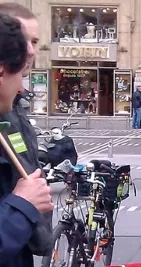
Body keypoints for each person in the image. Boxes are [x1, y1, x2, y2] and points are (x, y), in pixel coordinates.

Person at [0, 2, 54, 265]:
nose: (31, 51)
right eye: (24, 43)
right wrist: (22, 204)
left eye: (35, 42)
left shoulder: (15, 108)